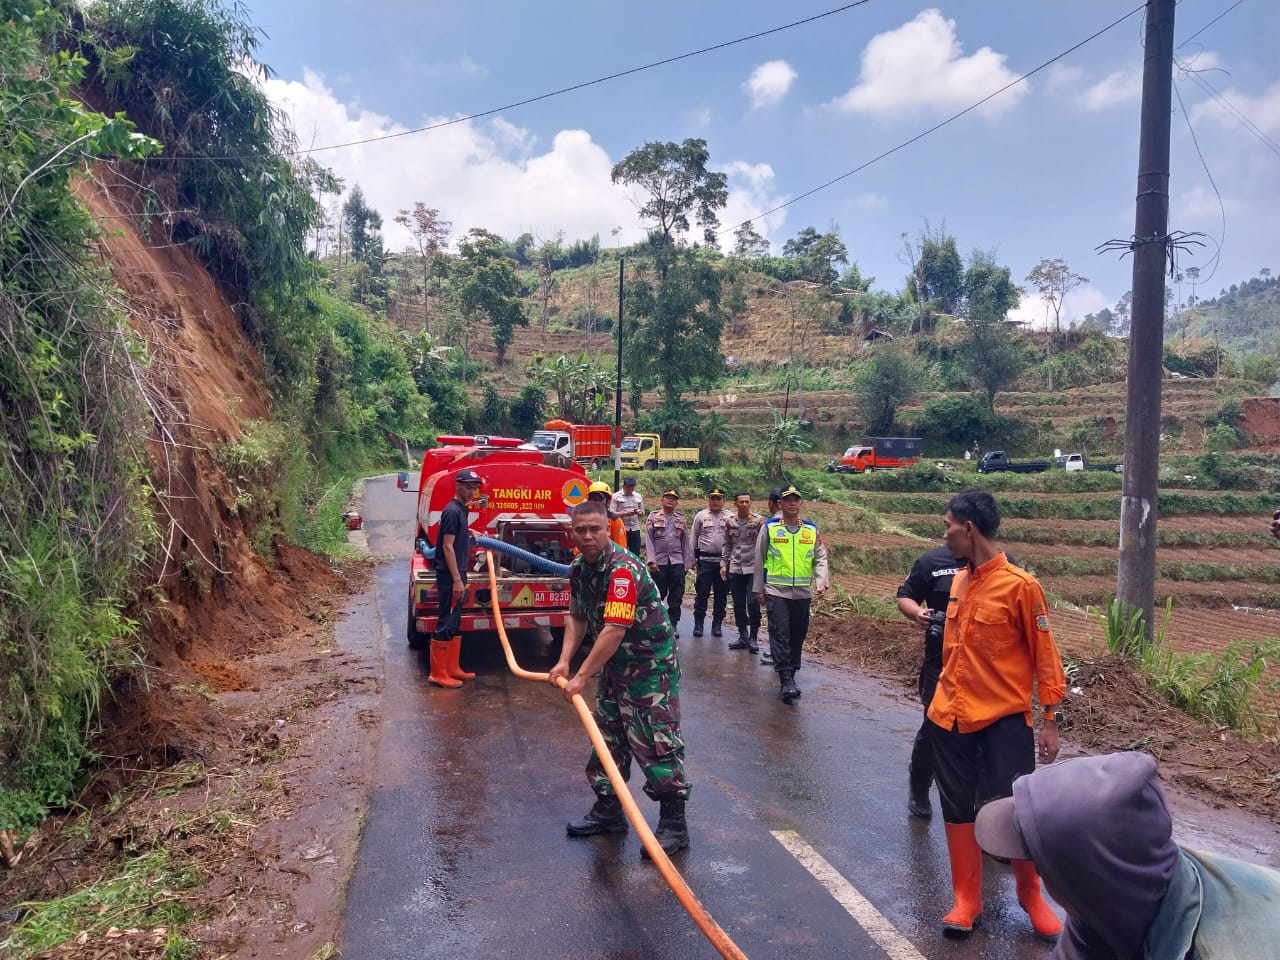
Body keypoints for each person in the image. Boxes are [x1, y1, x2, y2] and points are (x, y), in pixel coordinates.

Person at [975, 751, 1280, 960]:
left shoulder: (1228, 949)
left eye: (1042, 867)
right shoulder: (1120, 893)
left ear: (1080, 878)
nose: (1039, 875)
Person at [927, 489, 1066, 938]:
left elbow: (1045, 654)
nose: (943, 532)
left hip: (1003, 718)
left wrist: (1050, 718)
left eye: (948, 524)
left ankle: (1030, 894)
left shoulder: (1022, 587)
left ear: (969, 529)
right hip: (949, 715)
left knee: (1013, 810)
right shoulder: (959, 581)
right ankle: (967, 899)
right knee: (956, 805)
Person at [550, 499, 691, 856]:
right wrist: (564, 661)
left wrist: (582, 675)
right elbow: (578, 617)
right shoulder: (580, 568)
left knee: (656, 743)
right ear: (573, 533)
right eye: (580, 530)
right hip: (616, 666)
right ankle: (609, 811)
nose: (587, 536)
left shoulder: (623, 570)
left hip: (649, 668)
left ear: (607, 529)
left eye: (595, 529)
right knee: (607, 737)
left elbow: (614, 628)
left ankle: (674, 825)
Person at [896, 545, 963, 819]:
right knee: (936, 726)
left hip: (985, 667)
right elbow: (905, 596)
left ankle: (982, 804)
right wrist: (918, 614)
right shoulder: (931, 561)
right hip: (940, 662)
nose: (947, 533)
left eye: (952, 525)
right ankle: (921, 781)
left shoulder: (1000, 563)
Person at [753, 485, 828, 704]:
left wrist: (821, 580)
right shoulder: (771, 528)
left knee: (798, 634)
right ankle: (785, 677)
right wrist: (758, 588)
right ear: (781, 504)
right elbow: (759, 558)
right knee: (780, 633)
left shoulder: (810, 530)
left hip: (802, 593)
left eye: (796, 500)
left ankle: (792, 672)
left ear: (801, 504)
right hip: (776, 591)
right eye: (788, 500)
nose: (793, 503)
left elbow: (820, 556)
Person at [429, 468, 483, 689]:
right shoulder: (452, 511)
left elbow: (454, 534)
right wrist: (457, 581)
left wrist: (468, 532)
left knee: (455, 622)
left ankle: (452, 668)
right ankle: (438, 673)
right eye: (468, 487)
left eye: (474, 488)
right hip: (450, 575)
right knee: (447, 620)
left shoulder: (461, 511)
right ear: (457, 486)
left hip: (458, 573)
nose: (472, 492)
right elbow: (447, 547)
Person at [644, 489, 693, 636]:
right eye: (667, 498)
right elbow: (649, 540)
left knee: (677, 594)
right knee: (658, 593)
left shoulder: (680, 520)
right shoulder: (653, 518)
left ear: (677, 502)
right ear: (662, 500)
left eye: (673, 498)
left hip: (677, 561)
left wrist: (687, 562)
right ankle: (656, 623)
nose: (670, 500)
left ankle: (673, 623)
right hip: (659, 562)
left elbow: (685, 542)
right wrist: (651, 561)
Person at [722, 492, 765, 653]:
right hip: (735, 566)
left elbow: (764, 544)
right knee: (738, 603)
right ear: (735, 504)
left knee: (753, 603)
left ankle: (754, 637)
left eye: (747, 502)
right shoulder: (730, 521)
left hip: (753, 567)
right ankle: (743, 636)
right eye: (741, 502)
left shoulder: (758, 521)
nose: (745, 504)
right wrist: (723, 563)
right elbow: (727, 544)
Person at [690, 488, 730, 638]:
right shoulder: (701, 516)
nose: (715, 501)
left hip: (723, 563)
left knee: (721, 595)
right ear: (709, 500)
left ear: (723, 501)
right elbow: (693, 537)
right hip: (705, 561)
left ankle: (717, 625)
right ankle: (699, 624)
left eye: (718, 499)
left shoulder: (730, 517)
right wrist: (691, 558)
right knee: (702, 593)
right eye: (712, 498)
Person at [758, 488, 783, 666]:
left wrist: (760, 585)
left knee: (776, 623)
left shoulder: (771, 524)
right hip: (796, 583)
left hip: (774, 581)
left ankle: (777, 653)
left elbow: (761, 556)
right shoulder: (800, 524)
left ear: (772, 503)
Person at [587, 481, 628, 550]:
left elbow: (621, 548)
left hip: (608, 559)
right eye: (593, 499)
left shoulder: (615, 521)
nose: (596, 502)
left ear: (608, 500)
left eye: (600, 499)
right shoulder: (585, 519)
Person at [611, 476, 645, 556]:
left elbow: (642, 513)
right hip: (621, 528)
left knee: (635, 552)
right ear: (624, 486)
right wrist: (626, 513)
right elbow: (612, 513)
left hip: (635, 528)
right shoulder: (616, 496)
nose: (629, 491)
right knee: (621, 551)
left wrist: (638, 512)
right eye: (627, 489)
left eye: (631, 489)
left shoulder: (638, 496)